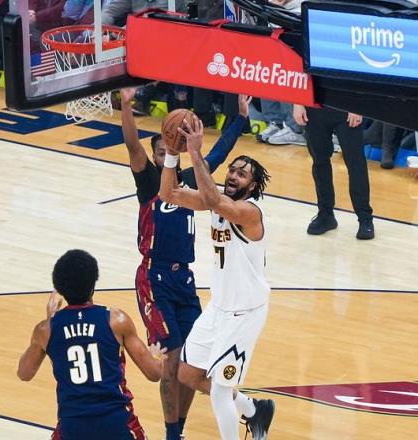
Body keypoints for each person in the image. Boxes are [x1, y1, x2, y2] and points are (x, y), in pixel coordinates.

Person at [120, 88, 251, 440]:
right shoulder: (149, 181)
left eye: (172, 149)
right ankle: (170, 433)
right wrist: (127, 104)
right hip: (154, 277)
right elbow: (132, 144)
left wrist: (240, 118)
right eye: (163, 151)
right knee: (172, 359)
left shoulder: (191, 182)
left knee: (193, 361)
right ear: (156, 154)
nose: (169, 154)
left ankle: (178, 429)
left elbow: (219, 153)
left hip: (184, 279)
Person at [158, 117, 275, 440]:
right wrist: (172, 154)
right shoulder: (217, 201)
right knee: (187, 374)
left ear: (253, 186)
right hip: (219, 308)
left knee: (221, 391)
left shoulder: (250, 212)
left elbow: (212, 200)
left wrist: (195, 152)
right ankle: (254, 410)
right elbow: (168, 193)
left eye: (242, 174)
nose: (233, 175)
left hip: (245, 313)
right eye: (232, 170)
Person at [18, 249, 167, 440]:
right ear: (93, 285)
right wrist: (157, 358)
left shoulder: (45, 330)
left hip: (73, 426)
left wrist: (50, 320)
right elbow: (154, 374)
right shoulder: (117, 320)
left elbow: (24, 373)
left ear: (60, 288)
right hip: (117, 422)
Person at [293, 105, 375, 239]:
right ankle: (326, 215)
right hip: (314, 107)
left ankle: (365, 218)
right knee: (319, 161)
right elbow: (301, 86)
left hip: (346, 105)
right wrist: (298, 103)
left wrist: (357, 106)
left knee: (355, 162)